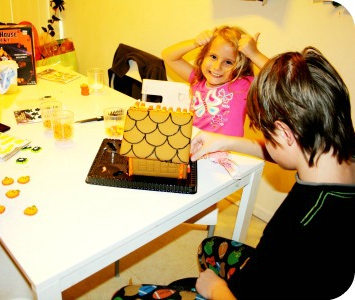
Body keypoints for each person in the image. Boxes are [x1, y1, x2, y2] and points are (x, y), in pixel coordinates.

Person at [112, 46, 354, 299]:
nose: (264, 139)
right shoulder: (337, 153)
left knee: (125, 295)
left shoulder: (299, 226)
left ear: (284, 133)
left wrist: (217, 290)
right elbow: (288, 149)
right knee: (210, 247)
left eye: (267, 134)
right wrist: (225, 141)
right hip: (285, 274)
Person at [161, 25, 268, 136]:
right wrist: (194, 42)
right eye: (213, 57)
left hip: (225, 151)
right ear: (203, 56)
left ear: (240, 66)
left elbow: (280, 78)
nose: (217, 67)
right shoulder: (197, 79)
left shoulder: (243, 85)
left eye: (228, 62)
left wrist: (254, 54)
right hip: (193, 150)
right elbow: (168, 56)